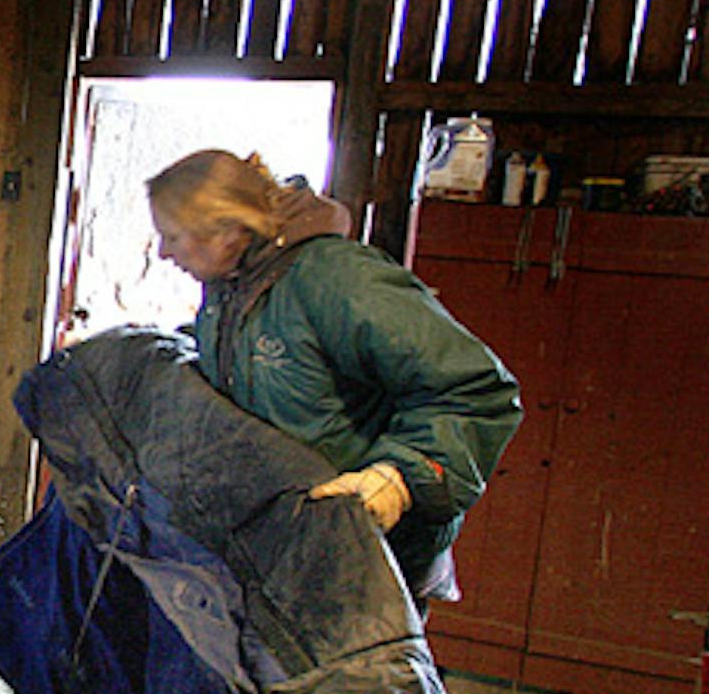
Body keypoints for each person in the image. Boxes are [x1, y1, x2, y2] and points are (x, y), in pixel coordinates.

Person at [145, 149, 521, 607]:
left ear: (227, 229)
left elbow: (473, 389)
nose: (164, 252)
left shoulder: (338, 280)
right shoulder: (233, 290)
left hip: (364, 558)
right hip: (286, 553)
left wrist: (400, 477)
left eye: (173, 236)